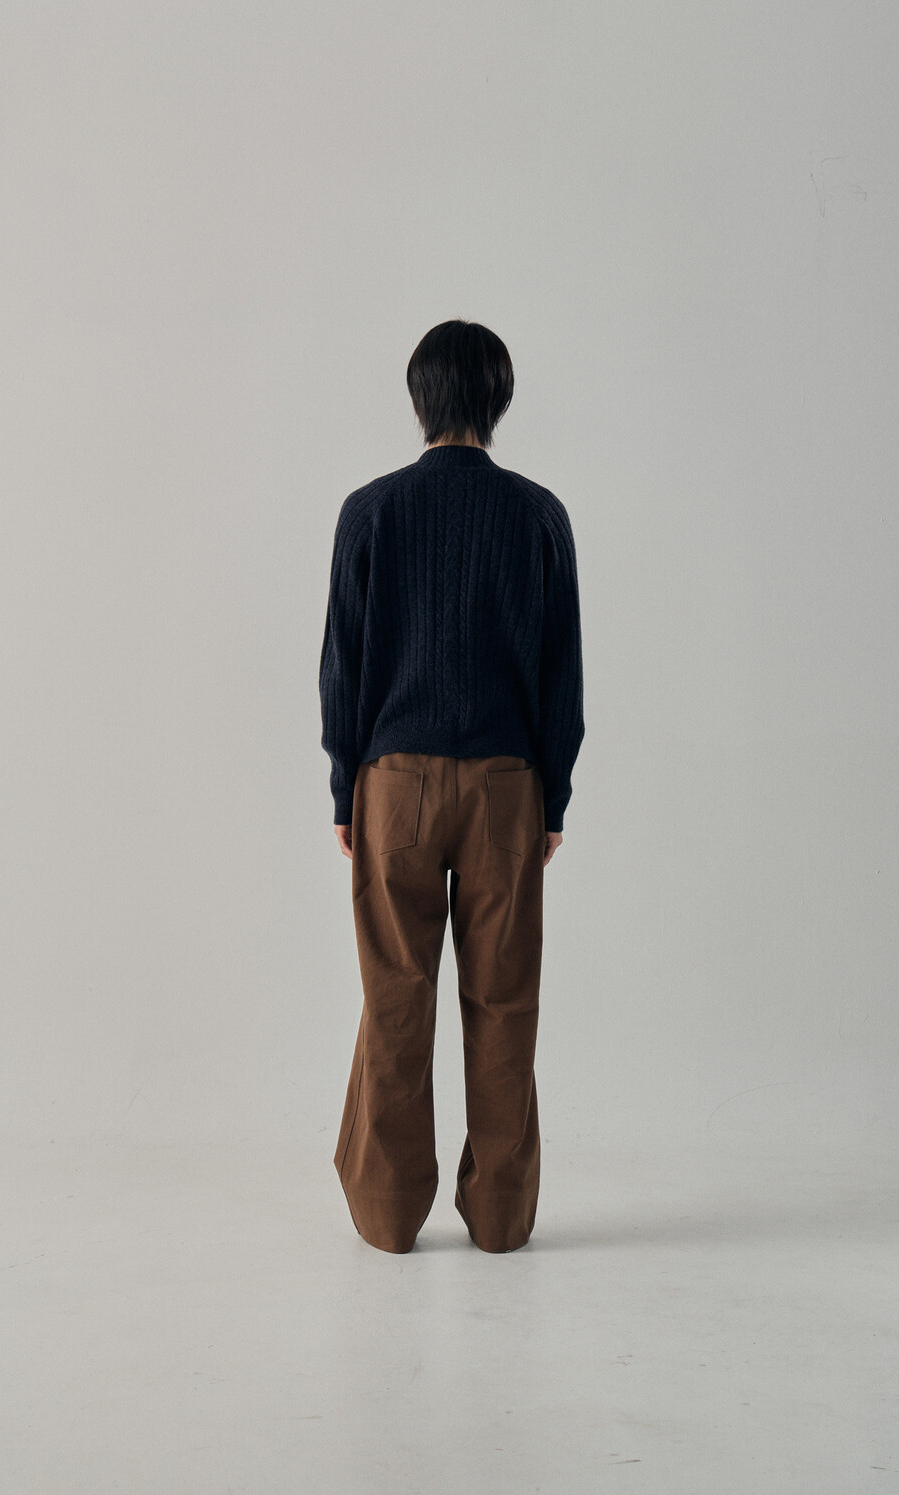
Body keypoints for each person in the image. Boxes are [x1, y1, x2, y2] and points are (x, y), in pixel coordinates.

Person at [318, 318, 584, 1254]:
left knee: (397, 993)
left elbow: (342, 666)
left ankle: (389, 1216)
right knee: (504, 1000)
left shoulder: (371, 512)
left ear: (419, 398)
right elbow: (561, 673)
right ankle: (502, 1218)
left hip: (393, 784)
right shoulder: (538, 515)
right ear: (498, 400)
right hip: (508, 787)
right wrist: (553, 797)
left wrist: (345, 788)